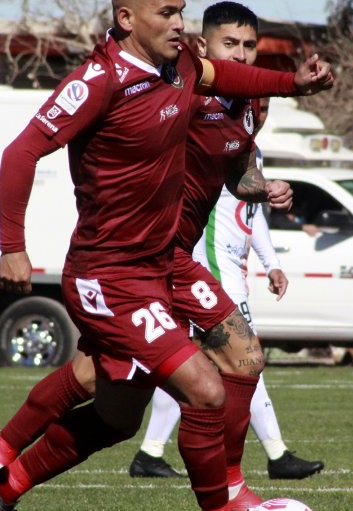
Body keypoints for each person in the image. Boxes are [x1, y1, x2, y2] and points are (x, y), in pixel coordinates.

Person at [0, 0, 333, 511]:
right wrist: (12, 245)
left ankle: (0, 486)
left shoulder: (184, 64)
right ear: (127, 19)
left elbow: (227, 75)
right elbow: (21, 150)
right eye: (167, 14)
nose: (180, 24)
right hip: (107, 275)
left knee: (127, 412)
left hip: (166, 263)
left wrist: (295, 84)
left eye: (183, 11)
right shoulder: (100, 80)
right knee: (204, 388)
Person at [131, 96, 325, 482]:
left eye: (267, 108)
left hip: (233, 269)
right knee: (245, 359)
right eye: (257, 106)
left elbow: (254, 214)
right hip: (213, 271)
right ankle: (276, 454)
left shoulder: (252, 150)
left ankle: (149, 453)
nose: (261, 115)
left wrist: (272, 264)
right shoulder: (217, 142)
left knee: (193, 366)